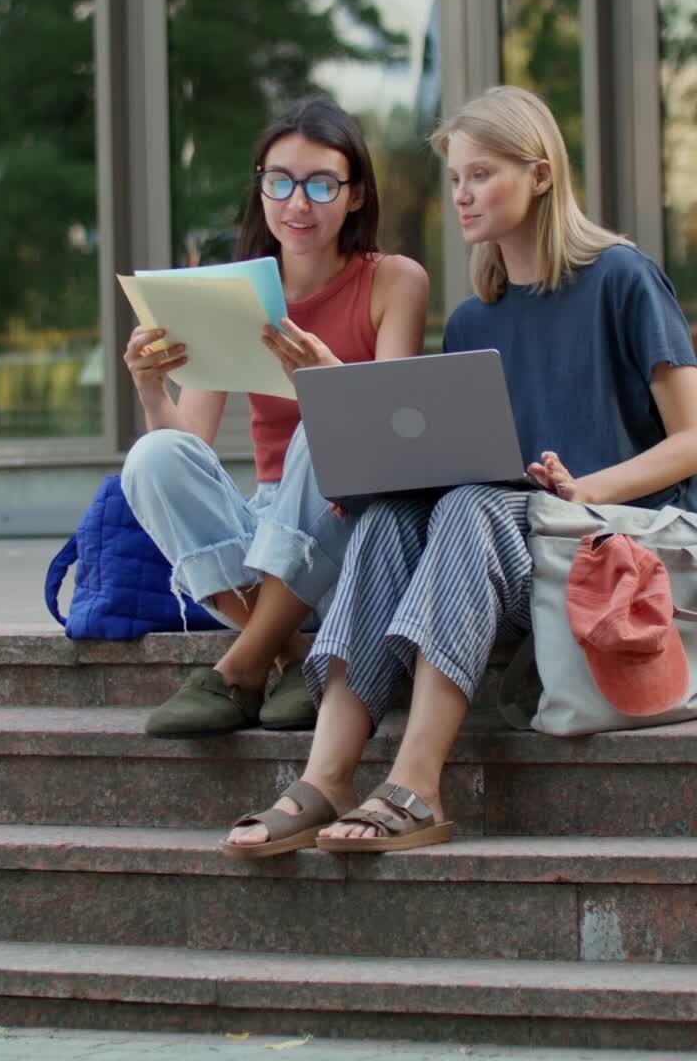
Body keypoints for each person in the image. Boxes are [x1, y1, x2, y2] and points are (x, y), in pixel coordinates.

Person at [222, 83, 697, 858]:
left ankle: (416, 782)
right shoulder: (477, 318)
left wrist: (589, 487)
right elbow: (465, 460)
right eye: (454, 179)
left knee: (473, 506)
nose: (462, 195)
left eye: (482, 174)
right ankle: (328, 775)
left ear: (541, 175)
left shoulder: (622, 278)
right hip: (523, 541)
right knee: (390, 518)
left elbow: (693, 439)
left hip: (627, 539)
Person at [121, 95, 429, 737]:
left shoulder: (395, 281)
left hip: (358, 523)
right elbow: (191, 452)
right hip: (265, 533)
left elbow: (399, 438)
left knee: (325, 428)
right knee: (151, 457)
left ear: (356, 195)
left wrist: (328, 389)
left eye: (321, 184)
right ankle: (295, 655)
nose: (298, 203)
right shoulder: (232, 290)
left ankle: (238, 670)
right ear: (260, 190)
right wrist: (153, 393)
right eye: (279, 182)